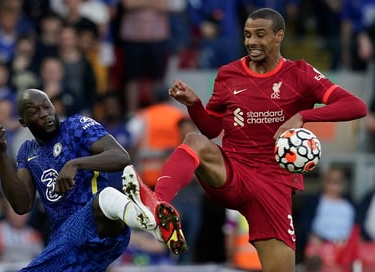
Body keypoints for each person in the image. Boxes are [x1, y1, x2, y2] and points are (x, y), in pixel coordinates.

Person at [120, 8, 368, 272]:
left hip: (274, 184)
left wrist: (303, 116)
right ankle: (157, 205)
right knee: (193, 140)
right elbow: (212, 129)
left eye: (260, 35)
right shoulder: (229, 74)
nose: (251, 41)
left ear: (278, 36)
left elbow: (356, 106)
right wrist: (194, 106)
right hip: (234, 171)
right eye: (248, 35)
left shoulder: (300, 74)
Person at [0, 88, 182, 271]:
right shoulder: (27, 152)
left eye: (46, 106)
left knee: (104, 197)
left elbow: (121, 157)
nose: (44, 113)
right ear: (23, 122)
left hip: (103, 226)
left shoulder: (76, 126)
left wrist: (75, 164)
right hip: (70, 244)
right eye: (34, 111)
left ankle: (148, 220)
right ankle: (149, 220)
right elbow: (21, 205)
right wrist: (1, 152)